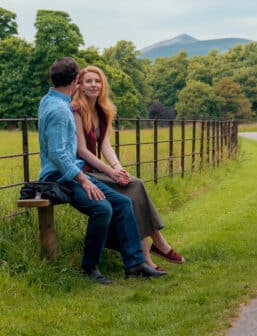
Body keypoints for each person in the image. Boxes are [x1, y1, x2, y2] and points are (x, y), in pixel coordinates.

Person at [38, 57, 165, 284]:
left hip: (71, 173)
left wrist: (104, 171)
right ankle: (89, 267)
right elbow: (58, 154)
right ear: (76, 81)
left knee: (123, 203)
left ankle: (135, 265)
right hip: (58, 177)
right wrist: (84, 180)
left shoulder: (52, 100)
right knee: (102, 208)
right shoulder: (59, 110)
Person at [71, 65, 185, 272]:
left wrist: (118, 168)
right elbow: (82, 151)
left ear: (102, 85)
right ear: (79, 85)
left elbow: (104, 145)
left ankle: (149, 254)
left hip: (99, 169)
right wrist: (110, 172)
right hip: (83, 171)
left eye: (97, 81)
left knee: (134, 185)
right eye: (88, 81)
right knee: (135, 188)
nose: (94, 85)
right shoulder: (77, 110)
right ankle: (156, 247)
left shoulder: (103, 111)